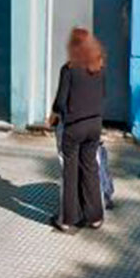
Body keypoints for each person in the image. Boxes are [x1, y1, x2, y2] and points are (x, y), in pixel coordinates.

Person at [48, 27, 107, 233]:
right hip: (95, 125)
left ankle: (68, 219)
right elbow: (103, 94)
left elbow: (61, 102)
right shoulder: (99, 66)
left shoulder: (70, 69)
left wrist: (54, 116)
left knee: (70, 172)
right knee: (90, 168)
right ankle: (95, 217)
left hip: (74, 127)